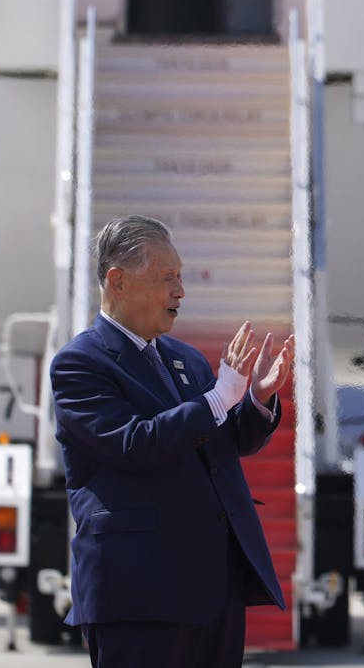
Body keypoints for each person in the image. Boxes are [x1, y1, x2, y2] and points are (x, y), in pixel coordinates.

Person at [50, 215, 294, 668]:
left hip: (213, 585)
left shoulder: (183, 358)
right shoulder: (79, 364)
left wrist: (255, 399)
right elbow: (132, 445)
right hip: (140, 591)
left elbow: (219, 443)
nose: (180, 291)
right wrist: (220, 396)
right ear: (117, 282)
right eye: (167, 278)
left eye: (180, 277)